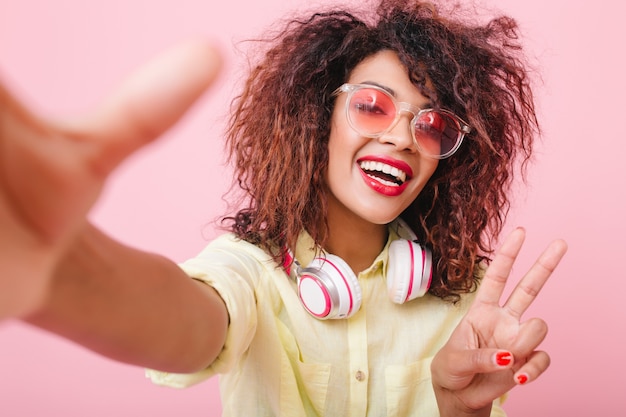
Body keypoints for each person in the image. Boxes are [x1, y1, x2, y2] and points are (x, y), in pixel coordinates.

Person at [0, 0, 567, 416]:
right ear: (316, 118)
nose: (400, 138)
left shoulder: (463, 298)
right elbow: (186, 322)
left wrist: (453, 406)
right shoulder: (251, 272)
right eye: (372, 107)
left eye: (432, 124)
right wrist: (66, 274)